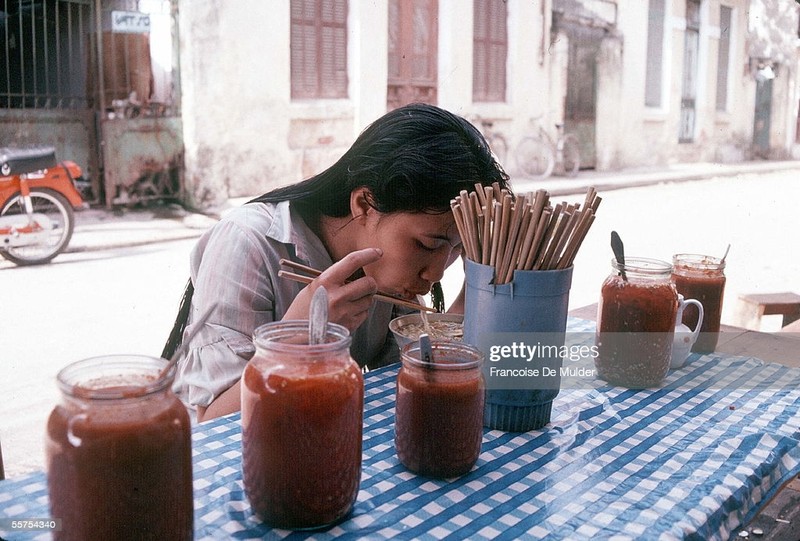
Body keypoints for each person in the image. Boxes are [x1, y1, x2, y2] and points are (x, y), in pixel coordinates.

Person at [170, 103, 510, 421]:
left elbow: (414, 369)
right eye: (426, 244)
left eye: (455, 249)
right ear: (364, 204)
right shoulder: (249, 243)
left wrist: (474, 287)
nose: (435, 273)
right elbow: (212, 421)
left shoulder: (388, 272)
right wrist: (297, 340)